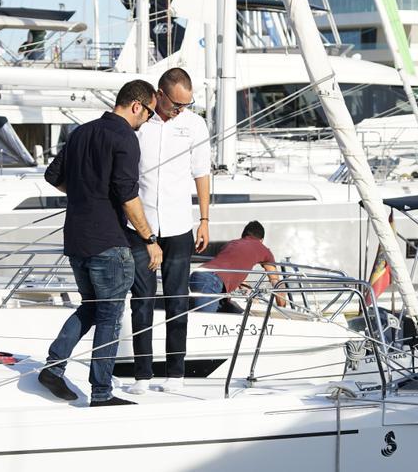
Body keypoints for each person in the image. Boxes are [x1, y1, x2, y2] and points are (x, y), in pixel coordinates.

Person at [38, 80, 161, 407]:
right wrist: (150, 239)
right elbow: (128, 195)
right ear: (137, 106)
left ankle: (54, 365)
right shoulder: (125, 138)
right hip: (108, 241)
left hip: (76, 239)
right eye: (149, 113)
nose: (146, 120)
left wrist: (84, 193)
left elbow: (53, 175)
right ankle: (102, 393)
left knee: (91, 307)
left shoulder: (81, 133)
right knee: (109, 316)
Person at [126, 68, 211, 395]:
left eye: (185, 104)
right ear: (159, 94)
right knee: (142, 301)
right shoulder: (140, 122)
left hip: (178, 225)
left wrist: (204, 219)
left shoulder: (194, 125)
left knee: (177, 299)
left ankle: (176, 373)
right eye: (176, 104)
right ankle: (142, 377)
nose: (180, 110)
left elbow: (201, 173)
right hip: (141, 225)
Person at [189, 221, 287, 313]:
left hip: (199, 275)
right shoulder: (264, 250)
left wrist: (252, 296)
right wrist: (283, 311)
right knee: (205, 323)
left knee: (231, 313)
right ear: (261, 240)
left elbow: (236, 276)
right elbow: (276, 282)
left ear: (243, 236)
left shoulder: (231, 244)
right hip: (212, 280)